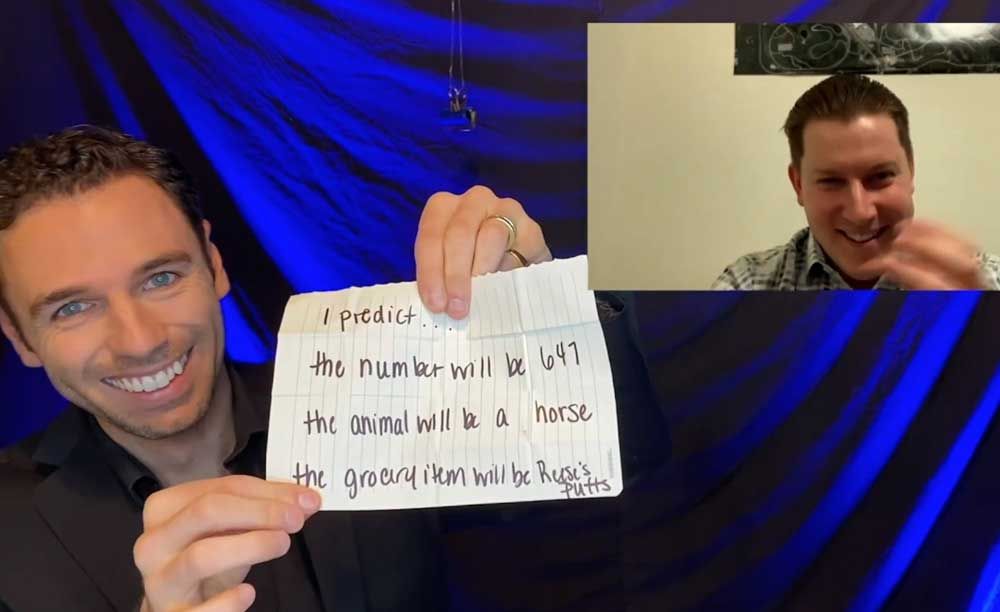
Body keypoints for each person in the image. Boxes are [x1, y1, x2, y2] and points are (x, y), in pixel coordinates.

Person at [0, 126, 667, 611]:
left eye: (161, 278)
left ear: (214, 265)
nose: (140, 340)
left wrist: (542, 307)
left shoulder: (372, 396)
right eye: (72, 308)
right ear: (20, 337)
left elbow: (625, 456)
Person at [712, 73, 1000, 290]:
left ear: (911, 171)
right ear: (798, 184)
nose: (860, 213)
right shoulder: (747, 283)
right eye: (831, 181)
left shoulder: (986, 281)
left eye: (880, 177)